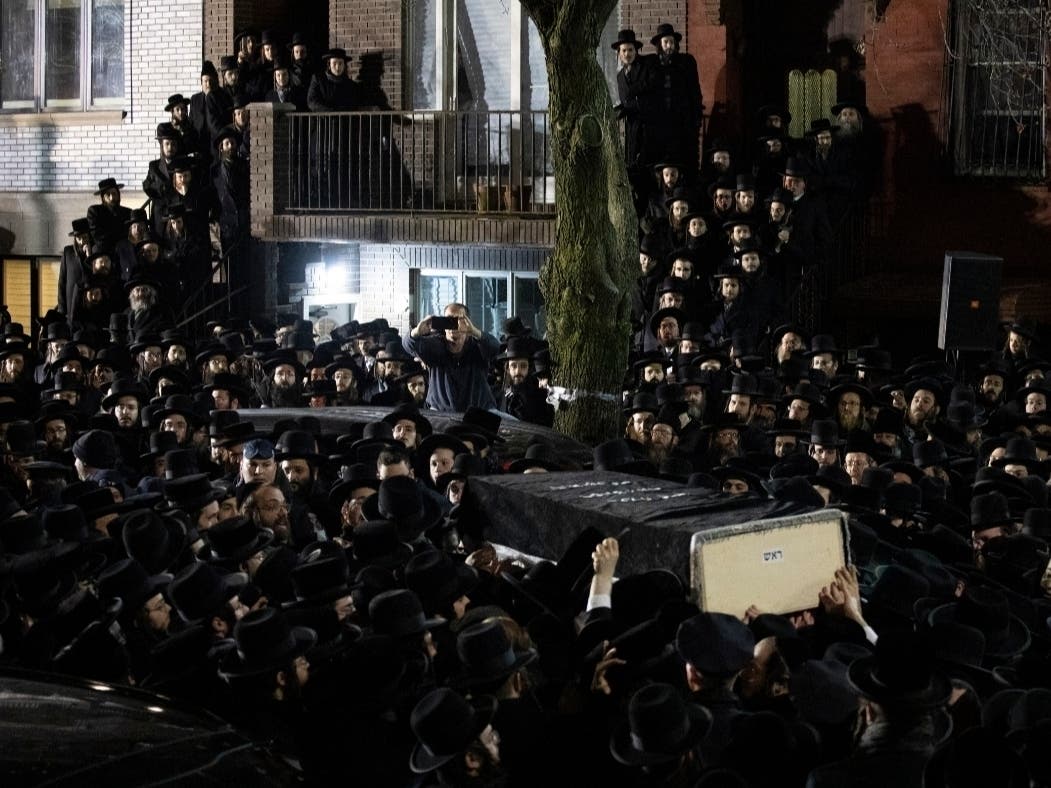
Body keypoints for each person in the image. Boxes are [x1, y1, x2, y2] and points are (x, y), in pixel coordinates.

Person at [403, 303, 500, 412]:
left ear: (467, 322)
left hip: (480, 411)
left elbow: (495, 347)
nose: (453, 326)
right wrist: (416, 332)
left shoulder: (477, 346)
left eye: (458, 320)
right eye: (449, 321)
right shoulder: (435, 345)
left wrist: (474, 331)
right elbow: (408, 345)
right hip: (440, 411)